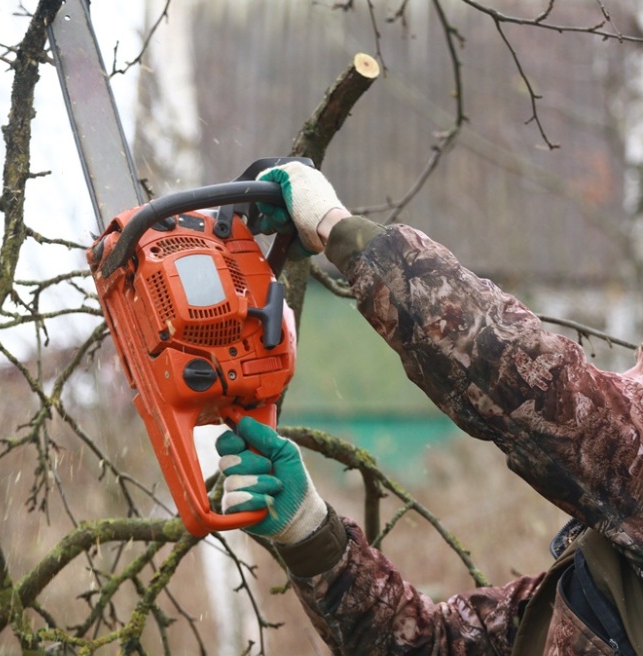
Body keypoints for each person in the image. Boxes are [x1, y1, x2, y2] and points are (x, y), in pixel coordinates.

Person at [215, 162, 643, 654]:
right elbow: (433, 645)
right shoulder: (594, 587)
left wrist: (338, 228)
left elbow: (542, 390)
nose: (623, 384)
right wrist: (309, 531)